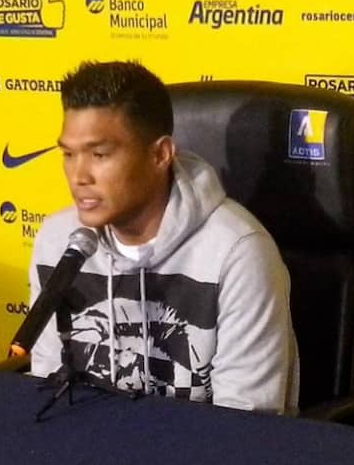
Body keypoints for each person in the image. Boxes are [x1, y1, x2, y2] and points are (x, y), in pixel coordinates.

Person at [28, 60, 299, 414]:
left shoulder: (238, 251)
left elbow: (245, 421)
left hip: (203, 445)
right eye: (68, 154)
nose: (79, 176)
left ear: (160, 154)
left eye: (99, 155)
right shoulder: (59, 241)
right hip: (87, 440)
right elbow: (47, 381)